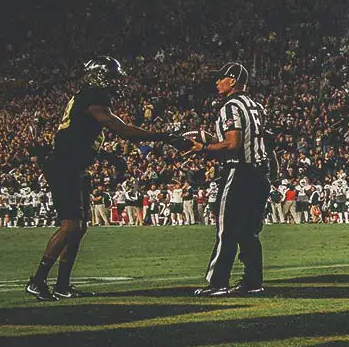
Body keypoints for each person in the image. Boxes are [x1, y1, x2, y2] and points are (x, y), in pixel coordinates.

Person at [26, 57, 184, 302]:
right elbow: (120, 129)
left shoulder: (85, 96)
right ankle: (37, 281)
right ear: (98, 76)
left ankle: (62, 285)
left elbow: (79, 136)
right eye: (111, 77)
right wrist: (163, 136)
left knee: (79, 229)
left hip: (75, 165)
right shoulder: (93, 96)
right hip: (64, 166)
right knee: (70, 226)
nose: (114, 83)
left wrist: (109, 157)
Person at [188, 62, 273, 296]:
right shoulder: (256, 106)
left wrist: (204, 147)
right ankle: (253, 282)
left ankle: (218, 283)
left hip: (239, 172)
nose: (217, 82)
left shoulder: (230, 106)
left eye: (220, 78)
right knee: (249, 232)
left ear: (233, 80)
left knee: (226, 230)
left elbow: (233, 144)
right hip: (260, 172)